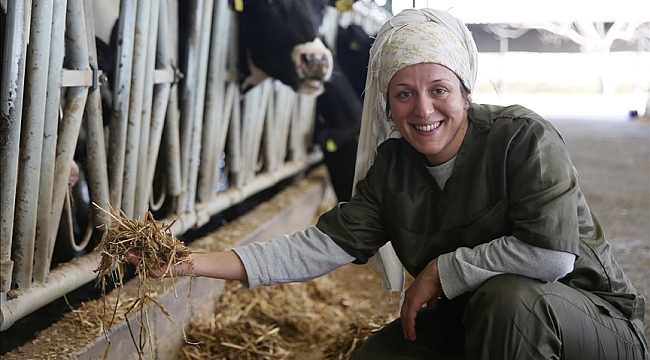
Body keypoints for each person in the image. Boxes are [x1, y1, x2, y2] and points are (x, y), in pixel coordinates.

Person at [138, 8, 648, 359]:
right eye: (403, 93)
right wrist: (192, 263)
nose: (423, 110)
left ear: (466, 91)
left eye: (439, 89)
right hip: (478, 326)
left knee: (510, 299)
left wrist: (444, 270)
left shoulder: (524, 138)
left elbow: (552, 258)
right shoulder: (394, 166)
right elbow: (318, 247)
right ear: (385, 102)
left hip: (589, 324)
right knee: (379, 355)